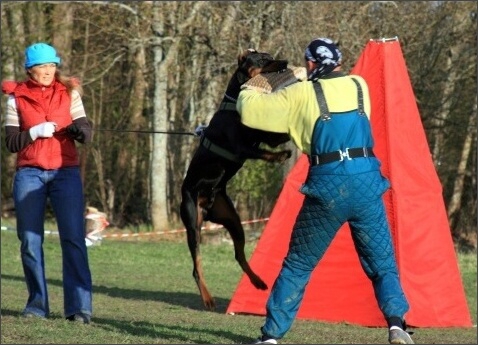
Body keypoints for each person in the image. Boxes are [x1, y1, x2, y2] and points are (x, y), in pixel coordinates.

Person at [236, 38, 414, 344]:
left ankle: (271, 337)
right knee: (382, 264)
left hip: (328, 185)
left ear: (309, 64)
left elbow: (248, 110)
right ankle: (396, 324)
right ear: (340, 63)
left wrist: (270, 75)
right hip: (368, 181)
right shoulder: (359, 86)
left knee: (299, 264)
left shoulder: (301, 93)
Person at [2, 42, 93, 324]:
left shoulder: (70, 93)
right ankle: (37, 305)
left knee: (74, 239)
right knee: (30, 241)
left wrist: (79, 131)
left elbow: (87, 132)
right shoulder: (14, 99)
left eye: (53, 65)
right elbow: (11, 142)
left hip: (65, 172)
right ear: (30, 69)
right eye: (43, 66)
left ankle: (79, 309)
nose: (48, 71)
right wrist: (34, 133)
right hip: (29, 174)